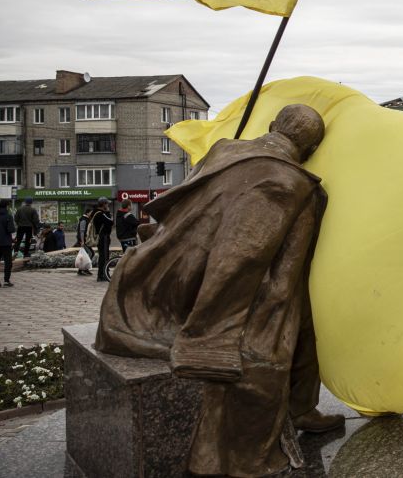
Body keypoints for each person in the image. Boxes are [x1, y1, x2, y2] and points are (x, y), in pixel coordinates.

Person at [96, 104, 343, 477]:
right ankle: (271, 430)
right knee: (276, 334)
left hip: (154, 277)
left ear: (274, 125)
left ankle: (302, 407)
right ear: (310, 149)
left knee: (300, 322)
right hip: (207, 292)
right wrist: (214, 336)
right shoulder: (292, 185)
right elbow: (252, 263)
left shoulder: (223, 149)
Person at [92, 198, 114, 282]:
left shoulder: (97, 213)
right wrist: (108, 212)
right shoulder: (100, 214)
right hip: (103, 237)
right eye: (107, 204)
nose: (108, 205)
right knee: (104, 256)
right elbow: (111, 222)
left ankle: (102, 274)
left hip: (103, 237)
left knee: (103, 255)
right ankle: (102, 275)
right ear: (103, 204)